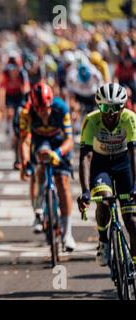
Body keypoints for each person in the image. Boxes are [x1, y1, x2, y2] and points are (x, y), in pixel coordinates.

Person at [78, 83, 136, 266]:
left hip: (123, 164)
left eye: (115, 108)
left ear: (123, 107)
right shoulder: (91, 120)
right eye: (104, 107)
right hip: (100, 164)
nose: (110, 113)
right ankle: (103, 240)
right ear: (98, 106)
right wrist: (85, 191)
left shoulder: (130, 118)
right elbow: (85, 157)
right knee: (104, 199)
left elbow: (134, 154)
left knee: (132, 221)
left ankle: (134, 263)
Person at [19, 81, 76, 251]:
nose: (44, 112)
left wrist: (58, 153)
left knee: (63, 182)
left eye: (47, 108)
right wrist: (25, 162)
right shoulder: (26, 112)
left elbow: (69, 140)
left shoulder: (62, 109)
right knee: (39, 169)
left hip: (59, 143)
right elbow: (25, 140)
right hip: (40, 141)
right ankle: (38, 211)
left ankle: (67, 233)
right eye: (40, 109)